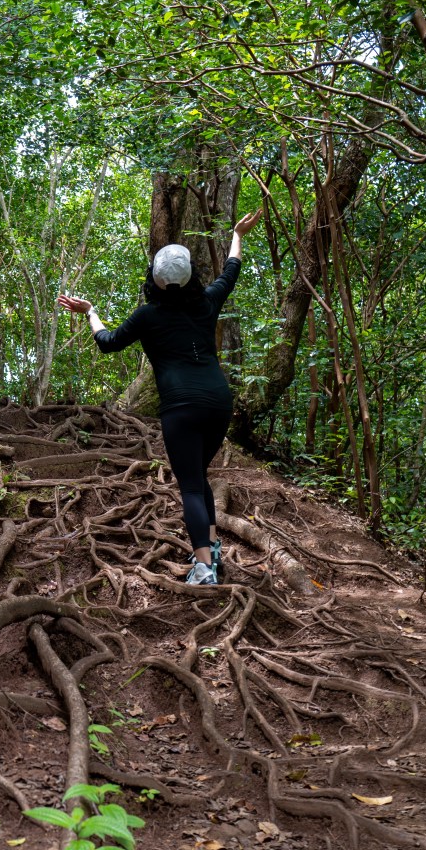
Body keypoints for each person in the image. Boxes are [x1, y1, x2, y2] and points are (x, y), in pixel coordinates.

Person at [58, 210, 262, 586]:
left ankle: (203, 569)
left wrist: (91, 313)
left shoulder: (147, 316)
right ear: (189, 276)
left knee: (189, 485)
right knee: (198, 475)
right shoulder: (207, 302)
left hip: (181, 409)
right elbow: (230, 270)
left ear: (155, 276)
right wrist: (238, 234)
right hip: (218, 402)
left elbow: (107, 343)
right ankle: (211, 550)